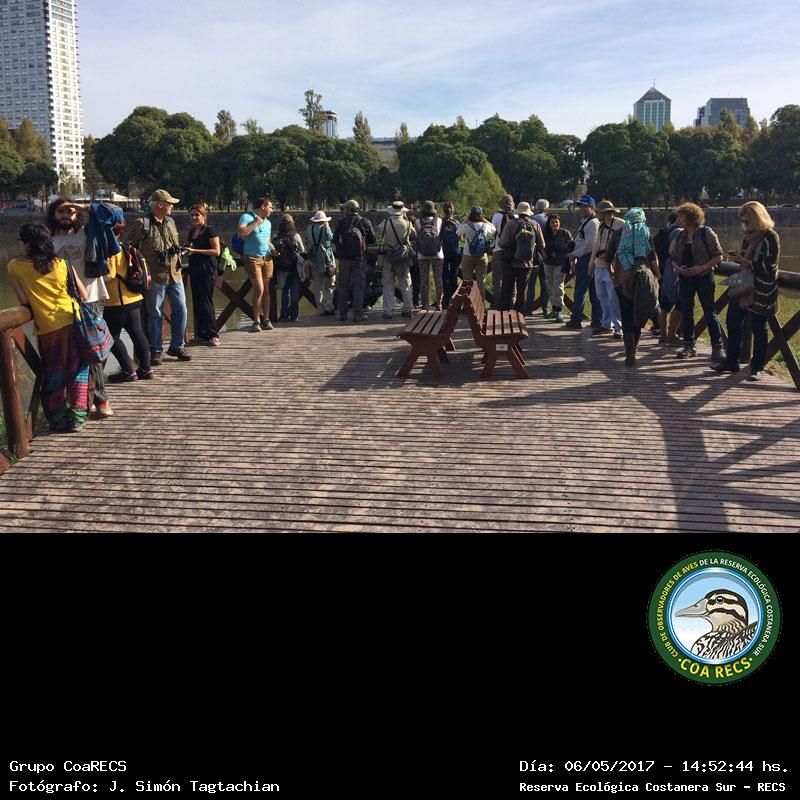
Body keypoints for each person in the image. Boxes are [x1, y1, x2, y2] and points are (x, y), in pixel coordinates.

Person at [7, 223, 90, 433]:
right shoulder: (62, 263)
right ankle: (77, 417)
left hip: (48, 326)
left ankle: (58, 418)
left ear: (27, 244)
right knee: (78, 369)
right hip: (73, 320)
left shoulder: (14, 266)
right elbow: (84, 295)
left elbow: (24, 300)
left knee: (54, 372)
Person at [47, 198, 115, 418]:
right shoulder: (48, 242)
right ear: (53, 214)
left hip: (90, 299)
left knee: (93, 350)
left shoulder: (88, 233)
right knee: (71, 354)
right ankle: (81, 400)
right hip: (62, 303)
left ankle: (101, 399)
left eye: (70, 211)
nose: (66, 215)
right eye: (61, 211)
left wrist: (83, 207)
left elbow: (114, 214)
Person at [711, 201, 780, 382]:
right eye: (743, 221)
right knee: (732, 321)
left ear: (757, 218)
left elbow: (770, 267)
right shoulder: (747, 237)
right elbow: (744, 261)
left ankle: (756, 367)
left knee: (759, 329)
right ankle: (732, 361)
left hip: (762, 290)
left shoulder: (770, 237)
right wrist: (739, 258)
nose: (744, 225)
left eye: (747, 221)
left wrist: (746, 261)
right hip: (744, 285)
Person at [126, 189, 191, 362]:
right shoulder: (142, 224)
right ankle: (155, 350)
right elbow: (128, 248)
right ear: (160, 205)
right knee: (155, 313)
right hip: (155, 276)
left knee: (181, 309)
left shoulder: (171, 222)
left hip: (175, 274)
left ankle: (177, 346)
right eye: (170, 204)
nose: (172, 206)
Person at [669, 202, 724, 361]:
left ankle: (717, 348)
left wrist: (702, 268)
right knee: (687, 312)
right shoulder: (679, 236)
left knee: (709, 312)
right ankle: (689, 346)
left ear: (691, 217)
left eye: (681, 217)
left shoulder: (706, 233)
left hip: (704, 277)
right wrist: (678, 269)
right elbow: (672, 257)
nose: (678, 220)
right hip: (685, 278)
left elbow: (719, 255)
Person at [103, 219, 154, 382]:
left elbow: (108, 276)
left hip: (117, 301)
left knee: (109, 336)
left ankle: (127, 369)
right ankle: (146, 369)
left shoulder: (110, 251)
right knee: (137, 333)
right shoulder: (127, 247)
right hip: (134, 297)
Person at [613, 207, 660, 366]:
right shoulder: (645, 231)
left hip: (623, 279)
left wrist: (612, 270)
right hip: (641, 279)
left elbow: (609, 256)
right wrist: (657, 274)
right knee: (638, 311)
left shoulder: (618, 233)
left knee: (626, 314)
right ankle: (635, 347)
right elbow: (652, 256)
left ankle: (629, 352)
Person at [496, 201, 546, 314]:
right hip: (527, 263)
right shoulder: (535, 224)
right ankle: (520, 315)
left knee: (507, 289)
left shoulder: (510, 224)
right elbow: (542, 244)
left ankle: (504, 314)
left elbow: (502, 243)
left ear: (518, 212)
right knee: (522, 291)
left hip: (510, 262)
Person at [332, 199, 376, 323]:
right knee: (358, 287)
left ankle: (343, 314)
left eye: (344, 208)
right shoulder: (364, 222)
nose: (343, 210)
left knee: (343, 287)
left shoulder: (341, 223)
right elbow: (373, 239)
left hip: (344, 260)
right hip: (359, 259)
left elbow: (335, 240)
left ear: (349, 209)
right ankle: (358, 315)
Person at [237, 197, 276, 332]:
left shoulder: (268, 223)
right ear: (263, 206)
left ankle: (266, 320)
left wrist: (274, 249)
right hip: (252, 258)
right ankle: (256, 321)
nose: (272, 210)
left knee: (266, 289)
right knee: (259, 289)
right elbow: (241, 233)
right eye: (270, 207)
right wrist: (255, 223)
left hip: (267, 259)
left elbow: (267, 241)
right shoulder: (246, 217)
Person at [185, 203, 220, 345]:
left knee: (206, 302)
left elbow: (216, 251)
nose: (194, 217)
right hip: (194, 269)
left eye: (197, 215)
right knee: (197, 302)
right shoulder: (191, 231)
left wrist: (195, 251)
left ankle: (213, 334)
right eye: (192, 215)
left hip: (208, 270)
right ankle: (200, 334)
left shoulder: (209, 230)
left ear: (204, 216)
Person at [589, 200, 624, 339]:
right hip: (599, 265)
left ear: (606, 213)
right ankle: (606, 324)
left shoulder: (620, 224)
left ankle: (618, 327)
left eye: (599, 212)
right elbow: (596, 246)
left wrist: (610, 256)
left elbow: (624, 245)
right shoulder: (601, 226)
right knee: (601, 296)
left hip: (612, 266)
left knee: (613, 298)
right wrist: (591, 264)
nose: (597, 215)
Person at [565, 194, 600, 330]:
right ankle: (596, 320)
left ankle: (576, 319)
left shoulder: (592, 223)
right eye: (581, 206)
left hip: (587, 259)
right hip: (587, 259)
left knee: (580, 290)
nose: (582, 209)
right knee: (593, 291)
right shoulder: (587, 221)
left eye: (585, 206)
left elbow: (590, 246)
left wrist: (574, 254)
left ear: (592, 207)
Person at [376, 201, 415, 319]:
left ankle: (388, 311)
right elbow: (413, 234)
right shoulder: (407, 223)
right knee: (405, 284)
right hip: (402, 257)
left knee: (388, 284)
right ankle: (408, 309)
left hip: (388, 256)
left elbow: (378, 231)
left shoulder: (386, 223)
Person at [652, 212, 682, 345]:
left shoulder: (663, 233)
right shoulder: (679, 233)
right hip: (674, 271)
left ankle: (663, 336)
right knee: (680, 304)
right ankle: (672, 335)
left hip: (662, 271)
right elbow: (675, 253)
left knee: (664, 305)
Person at [456, 206, 495, 301]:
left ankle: (468, 304)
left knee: (467, 282)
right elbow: (494, 230)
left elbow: (458, 232)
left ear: (471, 215)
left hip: (467, 255)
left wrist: (465, 220)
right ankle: (480, 304)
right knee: (481, 282)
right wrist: (485, 220)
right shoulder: (485, 226)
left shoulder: (467, 226)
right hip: (482, 256)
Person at [273, 214, 305, 322]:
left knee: (284, 292)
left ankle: (284, 316)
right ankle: (294, 315)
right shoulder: (296, 236)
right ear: (292, 224)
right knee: (295, 293)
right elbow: (303, 251)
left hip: (282, 269)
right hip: (295, 269)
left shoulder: (275, 237)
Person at [541, 214, 573, 323]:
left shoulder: (565, 233)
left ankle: (559, 310)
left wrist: (571, 258)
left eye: (556, 222)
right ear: (549, 224)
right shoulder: (546, 234)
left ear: (559, 222)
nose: (555, 224)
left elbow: (572, 246)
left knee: (558, 286)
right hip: (548, 263)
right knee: (549, 286)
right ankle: (554, 308)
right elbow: (540, 245)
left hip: (560, 263)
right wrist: (543, 254)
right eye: (552, 222)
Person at [415, 200, 445, 311]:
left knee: (424, 280)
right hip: (438, 254)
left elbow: (418, 236)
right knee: (438, 279)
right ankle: (439, 303)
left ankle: (425, 304)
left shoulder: (417, 221)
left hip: (422, 254)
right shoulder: (439, 220)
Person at [305, 210, 336, 316]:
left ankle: (320, 308)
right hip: (327, 259)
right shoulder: (326, 228)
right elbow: (332, 239)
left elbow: (308, 242)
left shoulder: (309, 229)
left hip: (314, 259)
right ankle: (329, 307)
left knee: (317, 286)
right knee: (329, 284)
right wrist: (327, 227)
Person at [524, 198, 550, 317]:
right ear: (547, 209)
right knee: (545, 283)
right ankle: (545, 308)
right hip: (545, 256)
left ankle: (528, 308)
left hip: (532, 255)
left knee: (531, 283)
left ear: (536, 208)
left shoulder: (530, 220)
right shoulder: (548, 220)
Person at [490, 194, 516, 308]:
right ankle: (512, 301)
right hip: (512, 251)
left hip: (498, 250)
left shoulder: (496, 216)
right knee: (512, 277)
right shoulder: (516, 216)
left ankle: (497, 302)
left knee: (497, 278)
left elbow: (491, 233)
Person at [440, 201, 462, 307]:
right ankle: (454, 300)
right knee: (454, 275)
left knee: (444, 276)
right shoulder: (457, 223)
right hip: (455, 252)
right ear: (453, 211)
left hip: (443, 252)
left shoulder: (440, 222)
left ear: (444, 211)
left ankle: (445, 299)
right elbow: (461, 237)